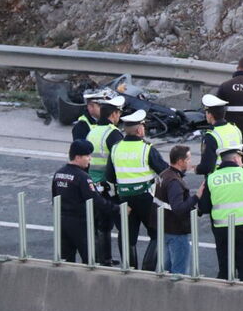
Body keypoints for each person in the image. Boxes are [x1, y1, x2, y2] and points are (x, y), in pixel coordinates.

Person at [106, 109, 168, 270]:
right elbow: (165, 171)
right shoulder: (147, 149)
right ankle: (147, 270)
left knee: (127, 236)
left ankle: (130, 269)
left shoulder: (115, 148)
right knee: (158, 233)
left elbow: (110, 177)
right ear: (140, 129)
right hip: (146, 198)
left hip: (124, 198)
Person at [197, 144, 243, 281]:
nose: (242, 162)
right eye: (241, 158)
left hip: (221, 231)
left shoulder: (212, 178)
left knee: (225, 271)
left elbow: (204, 207)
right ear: (236, 159)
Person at [51, 139, 119, 263]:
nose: (90, 159)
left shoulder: (58, 174)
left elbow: (54, 199)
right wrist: (117, 209)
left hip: (62, 222)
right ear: (77, 157)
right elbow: (96, 200)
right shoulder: (83, 177)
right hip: (81, 223)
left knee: (66, 261)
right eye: (87, 155)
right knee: (92, 261)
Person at [85, 95, 125, 266]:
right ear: (113, 115)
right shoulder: (113, 133)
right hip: (110, 187)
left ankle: (104, 259)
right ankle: (127, 262)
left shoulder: (92, 131)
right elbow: (118, 160)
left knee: (102, 224)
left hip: (94, 185)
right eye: (118, 114)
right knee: (122, 224)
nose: (119, 118)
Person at [152, 145, 200, 275]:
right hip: (177, 231)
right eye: (188, 159)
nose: (190, 162)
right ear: (180, 161)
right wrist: (197, 196)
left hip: (166, 228)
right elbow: (178, 208)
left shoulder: (164, 174)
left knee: (165, 270)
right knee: (179, 273)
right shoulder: (174, 181)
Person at [194, 94, 243, 176]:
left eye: (206, 112)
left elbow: (207, 167)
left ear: (210, 115)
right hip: (236, 176)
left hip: (217, 179)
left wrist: (196, 169)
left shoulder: (211, 135)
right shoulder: (235, 129)